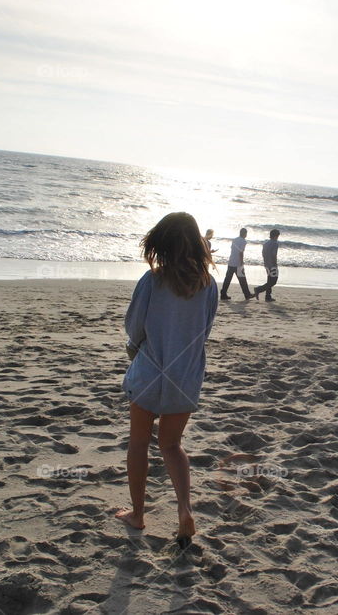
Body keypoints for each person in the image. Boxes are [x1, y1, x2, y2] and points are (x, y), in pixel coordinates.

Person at [116, 212, 218, 548]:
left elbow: (135, 326)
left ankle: (138, 514)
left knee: (139, 442)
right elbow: (204, 329)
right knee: (172, 446)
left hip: (149, 371)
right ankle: (185, 510)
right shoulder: (208, 285)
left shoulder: (152, 280)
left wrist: (135, 349)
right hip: (184, 375)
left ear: (162, 244)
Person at [220, 228, 254, 301]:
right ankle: (247, 294)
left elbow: (233, 249)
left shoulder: (235, 240)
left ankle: (223, 293)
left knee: (228, 279)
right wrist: (241, 263)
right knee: (242, 280)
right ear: (245, 234)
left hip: (231, 261)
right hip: (238, 263)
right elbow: (241, 252)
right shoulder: (243, 241)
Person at [254, 229, 280, 302]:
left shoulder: (266, 243)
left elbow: (263, 254)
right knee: (273, 281)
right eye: (278, 236)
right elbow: (274, 255)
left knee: (269, 280)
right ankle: (258, 289)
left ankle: (268, 296)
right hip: (272, 264)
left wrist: (266, 262)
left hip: (266, 264)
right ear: (275, 236)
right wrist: (275, 264)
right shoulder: (275, 243)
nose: (278, 237)